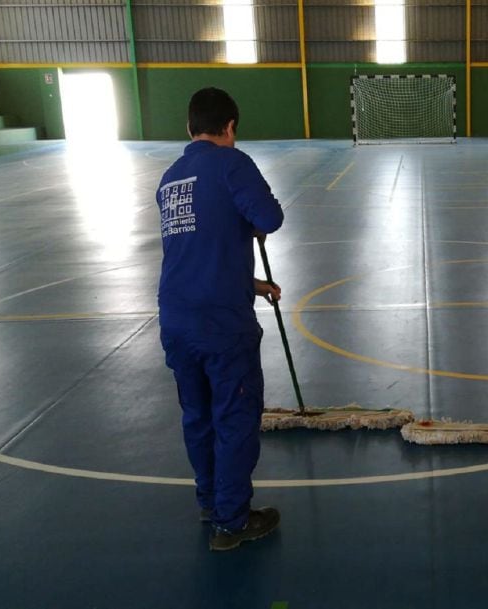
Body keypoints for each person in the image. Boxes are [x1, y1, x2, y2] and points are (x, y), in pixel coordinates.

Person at [156, 87, 285, 551]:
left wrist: (253, 284)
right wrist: (252, 224)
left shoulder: (169, 179)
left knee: (198, 415)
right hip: (220, 326)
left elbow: (195, 252)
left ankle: (211, 501)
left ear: (189, 127)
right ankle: (231, 521)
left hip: (175, 320)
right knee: (234, 416)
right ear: (229, 127)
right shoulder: (232, 162)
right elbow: (269, 218)